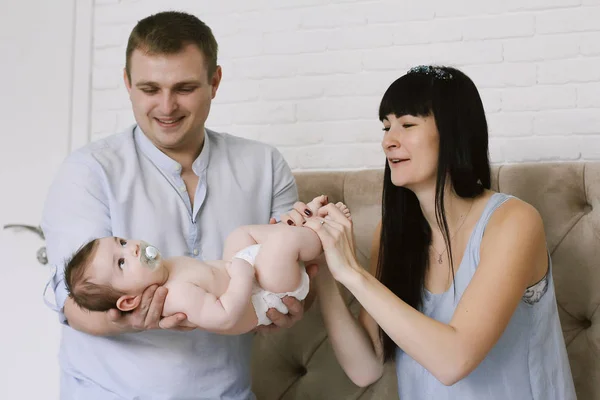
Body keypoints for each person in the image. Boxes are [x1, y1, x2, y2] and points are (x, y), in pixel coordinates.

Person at [41, 11, 315, 400]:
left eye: (184, 87)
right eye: (149, 89)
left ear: (215, 82)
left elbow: (302, 273)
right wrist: (130, 319)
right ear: (127, 84)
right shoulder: (88, 172)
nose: (166, 107)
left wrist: (290, 304)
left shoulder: (264, 166)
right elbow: (71, 301)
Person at [286, 66, 576, 399]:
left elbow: (455, 359)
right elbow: (365, 367)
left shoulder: (513, 222)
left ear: (454, 134)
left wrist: (351, 271)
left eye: (407, 125)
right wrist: (323, 263)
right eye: (386, 126)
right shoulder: (394, 234)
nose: (388, 141)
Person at [64, 201, 350, 332]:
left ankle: (299, 228)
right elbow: (225, 317)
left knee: (239, 234)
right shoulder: (175, 297)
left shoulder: (165, 268)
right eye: (122, 262)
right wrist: (241, 274)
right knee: (280, 246)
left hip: (246, 272)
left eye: (122, 241)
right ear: (127, 301)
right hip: (262, 298)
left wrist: (238, 265)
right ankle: (322, 231)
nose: (133, 247)